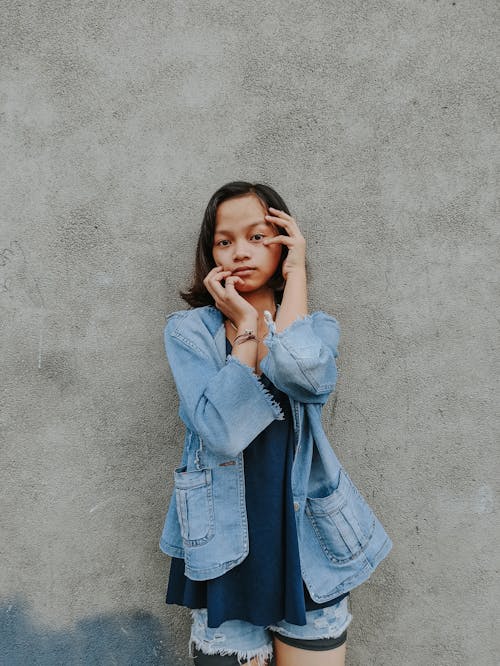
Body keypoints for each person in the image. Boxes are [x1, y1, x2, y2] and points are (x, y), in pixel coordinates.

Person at [159, 181, 393, 666]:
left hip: (308, 548)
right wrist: (245, 328)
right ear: (210, 254)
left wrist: (298, 273)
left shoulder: (318, 328)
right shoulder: (189, 332)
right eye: (225, 241)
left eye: (258, 236)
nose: (240, 252)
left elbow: (306, 375)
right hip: (224, 552)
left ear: (283, 243)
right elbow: (219, 431)